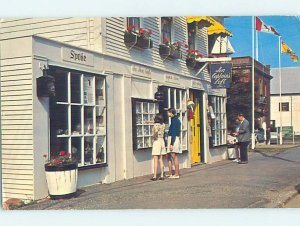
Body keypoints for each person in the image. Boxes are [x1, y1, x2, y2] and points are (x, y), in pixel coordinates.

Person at [166, 108, 181, 179]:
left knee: (174, 156)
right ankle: (171, 173)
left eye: (168, 112)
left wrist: (171, 143)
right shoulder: (175, 119)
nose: (167, 114)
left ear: (171, 113)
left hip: (173, 138)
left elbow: (174, 132)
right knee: (169, 156)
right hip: (173, 138)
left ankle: (176, 174)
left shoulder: (174, 120)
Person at [151, 114, 166, 181]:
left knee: (155, 159)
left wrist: (154, 137)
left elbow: (156, 132)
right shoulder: (163, 124)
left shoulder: (156, 125)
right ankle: (162, 175)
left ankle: (155, 176)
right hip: (162, 141)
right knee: (161, 159)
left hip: (157, 141)